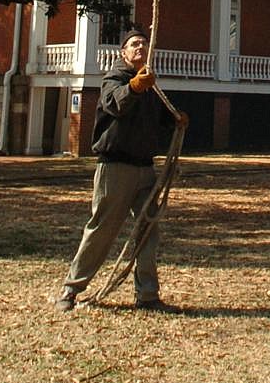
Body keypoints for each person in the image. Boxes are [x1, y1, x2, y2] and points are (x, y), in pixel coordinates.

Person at [56, 26, 183, 312]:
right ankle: (71, 289)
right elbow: (115, 104)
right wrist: (135, 86)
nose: (140, 47)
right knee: (102, 229)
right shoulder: (114, 78)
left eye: (144, 44)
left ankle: (147, 295)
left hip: (144, 169)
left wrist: (176, 119)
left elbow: (159, 116)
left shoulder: (150, 85)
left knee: (148, 230)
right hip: (116, 168)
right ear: (123, 52)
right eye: (134, 44)